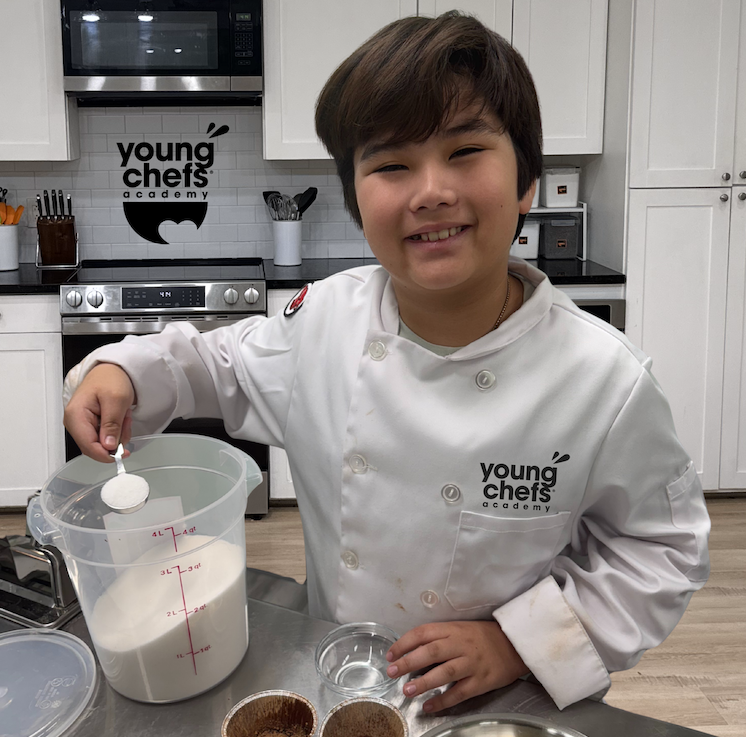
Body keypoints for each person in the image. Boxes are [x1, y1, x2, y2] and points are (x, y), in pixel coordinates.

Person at [62, 11, 710, 713]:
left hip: (500, 701)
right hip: (340, 681)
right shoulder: (321, 324)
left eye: (465, 151)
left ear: (527, 183)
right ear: (357, 201)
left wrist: (518, 642)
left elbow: (662, 549)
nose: (430, 189)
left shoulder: (603, 380)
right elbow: (218, 362)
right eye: (392, 164)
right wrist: (120, 370)